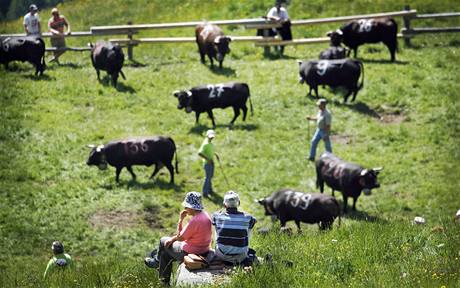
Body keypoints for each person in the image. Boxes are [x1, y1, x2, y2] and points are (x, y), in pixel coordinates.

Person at [145, 192, 212, 285]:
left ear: (192, 207)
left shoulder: (195, 220)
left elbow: (180, 237)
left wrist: (181, 220)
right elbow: (184, 236)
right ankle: (164, 282)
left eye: (187, 206)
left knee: (163, 240)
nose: (185, 209)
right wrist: (174, 239)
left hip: (191, 252)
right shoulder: (205, 215)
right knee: (165, 255)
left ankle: (156, 261)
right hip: (204, 250)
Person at [212, 191, 256, 265]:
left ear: (224, 205)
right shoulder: (248, 217)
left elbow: (214, 222)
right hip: (241, 256)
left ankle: (225, 246)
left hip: (222, 255)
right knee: (248, 226)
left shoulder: (216, 216)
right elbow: (254, 220)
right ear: (238, 204)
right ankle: (241, 247)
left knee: (217, 226)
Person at [198, 129, 220, 197]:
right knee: (208, 178)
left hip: (211, 162)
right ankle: (205, 192)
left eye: (212, 137)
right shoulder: (206, 144)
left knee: (210, 177)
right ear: (207, 136)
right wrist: (208, 159)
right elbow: (200, 153)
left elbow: (210, 150)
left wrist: (215, 154)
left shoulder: (209, 142)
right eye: (210, 137)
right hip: (208, 163)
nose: (211, 138)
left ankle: (210, 190)